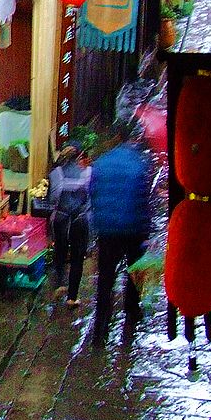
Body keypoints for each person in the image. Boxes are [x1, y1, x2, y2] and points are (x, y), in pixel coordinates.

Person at [88, 118, 155, 336]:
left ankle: (101, 323)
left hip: (107, 231)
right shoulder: (139, 163)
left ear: (114, 138)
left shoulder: (101, 163)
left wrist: (97, 225)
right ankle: (131, 312)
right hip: (134, 230)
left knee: (106, 278)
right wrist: (146, 229)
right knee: (134, 272)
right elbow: (144, 199)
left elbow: (93, 195)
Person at [47, 142, 91, 306]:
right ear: (78, 157)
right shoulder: (87, 173)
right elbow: (89, 197)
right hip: (80, 219)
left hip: (61, 219)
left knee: (60, 251)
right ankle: (72, 297)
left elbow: (53, 198)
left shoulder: (56, 173)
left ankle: (60, 283)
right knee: (77, 258)